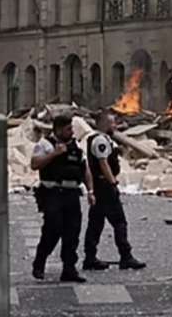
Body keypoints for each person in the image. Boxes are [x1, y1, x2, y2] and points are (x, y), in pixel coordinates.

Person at [31, 113, 94, 282]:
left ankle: (69, 269)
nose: (71, 132)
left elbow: (85, 169)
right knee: (52, 230)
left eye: (72, 128)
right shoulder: (45, 144)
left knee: (72, 232)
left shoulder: (76, 146)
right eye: (68, 129)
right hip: (53, 193)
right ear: (58, 129)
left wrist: (90, 191)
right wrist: (54, 154)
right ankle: (40, 262)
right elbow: (34, 164)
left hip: (72, 194)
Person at [83, 111, 146, 271]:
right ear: (103, 124)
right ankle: (126, 256)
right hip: (105, 187)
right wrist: (112, 182)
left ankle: (90, 258)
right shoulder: (100, 140)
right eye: (112, 123)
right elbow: (103, 163)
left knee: (95, 223)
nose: (115, 126)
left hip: (99, 187)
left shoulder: (100, 139)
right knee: (119, 222)